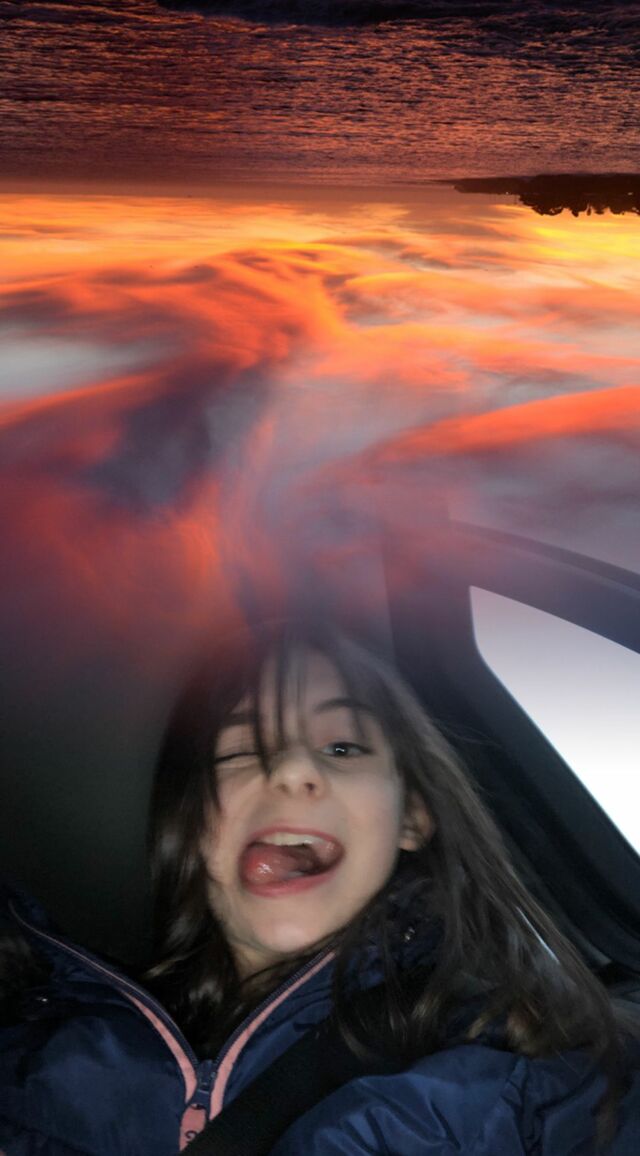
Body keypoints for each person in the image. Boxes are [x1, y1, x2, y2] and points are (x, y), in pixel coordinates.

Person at [1, 616, 639, 1155]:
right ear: (193, 826)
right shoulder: (33, 1053)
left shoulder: (532, 1060)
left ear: (413, 817)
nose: (292, 769)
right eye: (241, 749)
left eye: (342, 748)